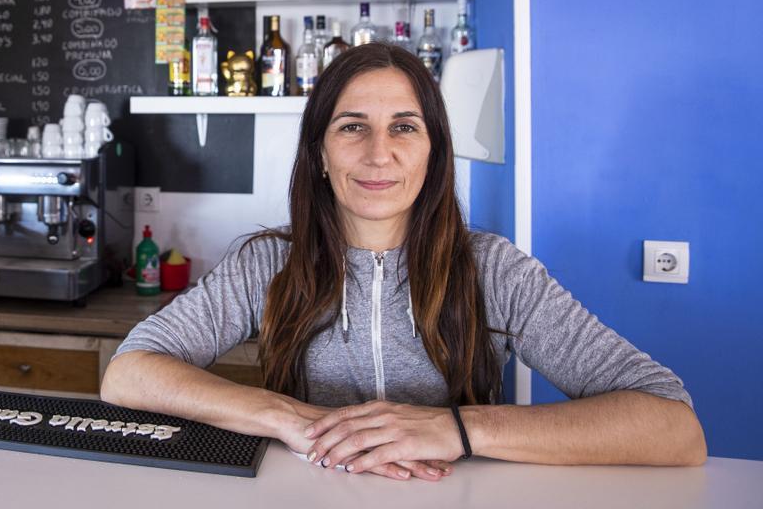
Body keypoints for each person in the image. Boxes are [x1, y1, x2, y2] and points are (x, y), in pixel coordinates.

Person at [101, 43, 705, 481]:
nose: (378, 153)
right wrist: (295, 419)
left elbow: (674, 427)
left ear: (434, 153)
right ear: (318, 152)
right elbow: (129, 372)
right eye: (352, 127)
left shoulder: (498, 271)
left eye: (404, 127)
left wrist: (458, 430)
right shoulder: (266, 263)